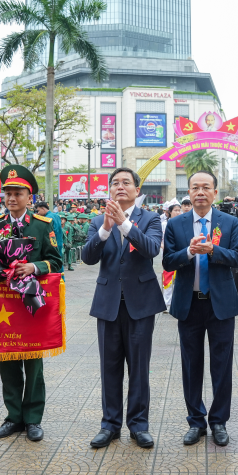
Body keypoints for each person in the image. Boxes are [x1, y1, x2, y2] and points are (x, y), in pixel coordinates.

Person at [81, 168, 165, 449]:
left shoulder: (150, 218)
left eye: (126, 182)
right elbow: (88, 257)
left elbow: (151, 249)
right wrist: (106, 229)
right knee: (110, 367)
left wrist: (124, 224)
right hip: (108, 304)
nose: (120, 186)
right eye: (115, 183)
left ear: (137, 190)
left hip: (140, 304)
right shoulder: (97, 221)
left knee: (139, 368)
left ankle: (139, 426)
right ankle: (110, 425)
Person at [163, 170, 238, 447]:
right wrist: (188, 252)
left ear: (215, 192)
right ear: (188, 192)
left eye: (206, 187)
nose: (200, 192)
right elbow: (168, 262)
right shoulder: (176, 224)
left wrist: (213, 251)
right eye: (195, 187)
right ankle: (196, 421)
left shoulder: (229, 222)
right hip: (189, 304)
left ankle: (219, 421)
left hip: (220, 304)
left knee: (222, 365)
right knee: (191, 365)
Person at [0, 165, 62, 442]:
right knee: (8, 360)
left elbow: (57, 261)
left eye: (17, 194)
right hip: (3, 306)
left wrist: (34, 267)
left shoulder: (42, 226)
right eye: (8, 194)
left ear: (29, 197)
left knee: (33, 364)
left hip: (32, 304)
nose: (12, 198)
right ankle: (13, 417)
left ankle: (33, 419)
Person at [161, 204, 183, 310]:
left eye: (179, 210)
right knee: (168, 277)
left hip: (181, 254)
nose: (178, 212)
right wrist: (165, 247)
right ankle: (167, 302)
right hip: (168, 254)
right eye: (175, 210)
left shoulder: (183, 223)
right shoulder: (164, 224)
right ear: (170, 212)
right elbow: (159, 239)